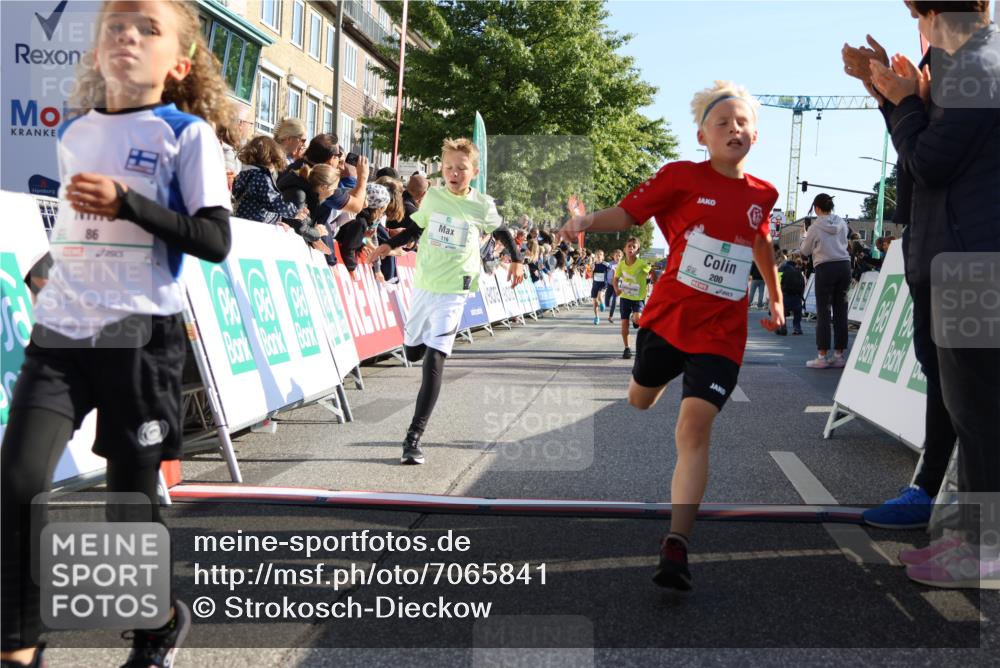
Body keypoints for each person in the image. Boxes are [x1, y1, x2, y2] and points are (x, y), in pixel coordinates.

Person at [0, 2, 234, 666]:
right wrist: (50, 264)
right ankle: (17, 647)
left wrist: (128, 203)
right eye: (115, 27)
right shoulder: (74, 131)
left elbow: (214, 240)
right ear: (98, 51)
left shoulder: (185, 135)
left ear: (178, 64)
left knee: (126, 511)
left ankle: (155, 623)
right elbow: (80, 228)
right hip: (62, 337)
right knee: (16, 486)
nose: (127, 35)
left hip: (140, 338)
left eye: (148, 29)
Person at [559, 80, 782, 590]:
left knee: (694, 429)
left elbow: (762, 241)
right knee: (640, 401)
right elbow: (629, 212)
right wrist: (587, 220)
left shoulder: (763, 194)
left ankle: (677, 542)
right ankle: (650, 381)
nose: (734, 129)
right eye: (722, 123)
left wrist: (775, 296)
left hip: (721, 334)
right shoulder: (680, 177)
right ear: (702, 135)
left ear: (756, 135)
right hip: (667, 321)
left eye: (743, 122)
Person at [859, 1, 1000, 587]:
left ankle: (986, 550)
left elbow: (930, 162)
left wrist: (903, 102)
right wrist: (899, 97)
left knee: (981, 416)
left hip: (972, 263)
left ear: (927, 12)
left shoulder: (977, 67)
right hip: (962, 257)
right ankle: (973, 540)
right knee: (971, 413)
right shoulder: (969, 62)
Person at [368, 138, 524, 465]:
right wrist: (388, 245)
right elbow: (415, 228)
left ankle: (413, 438)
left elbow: (503, 233)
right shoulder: (434, 197)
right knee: (413, 350)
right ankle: (420, 344)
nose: (454, 173)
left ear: (474, 172)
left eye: (461, 169)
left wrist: (516, 259)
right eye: (449, 167)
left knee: (434, 360)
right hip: (426, 284)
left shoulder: (481, 204)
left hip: (456, 287)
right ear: (442, 169)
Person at [798, 193, 851, 368]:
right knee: (841, 311)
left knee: (824, 311)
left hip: (825, 267)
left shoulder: (815, 226)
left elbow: (804, 251)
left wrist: (804, 237)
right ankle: (839, 355)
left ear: (817, 208)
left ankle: (821, 356)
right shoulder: (842, 223)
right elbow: (845, 241)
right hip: (844, 265)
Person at [232, 136, 309, 226]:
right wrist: (295, 212)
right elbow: (273, 201)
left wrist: (274, 221)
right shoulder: (261, 177)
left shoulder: (246, 173)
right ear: (270, 159)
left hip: (244, 221)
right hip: (254, 225)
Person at [335, 182, 391, 274]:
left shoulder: (366, 219)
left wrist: (362, 244)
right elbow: (348, 247)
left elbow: (362, 239)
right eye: (384, 206)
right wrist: (352, 269)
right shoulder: (360, 221)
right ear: (377, 207)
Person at [613, 238, 653, 359]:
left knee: (637, 319)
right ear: (625, 249)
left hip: (638, 297)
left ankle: (634, 318)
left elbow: (652, 273)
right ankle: (627, 348)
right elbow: (615, 279)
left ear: (637, 250)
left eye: (634, 247)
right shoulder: (621, 264)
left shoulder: (641, 263)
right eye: (629, 246)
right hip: (625, 296)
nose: (631, 248)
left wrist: (655, 285)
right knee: (624, 323)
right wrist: (616, 289)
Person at [778, 256, 806, 335]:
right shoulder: (798, 271)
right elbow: (802, 284)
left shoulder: (782, 269)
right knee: (797, 314)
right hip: (797, 297)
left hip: (785, 295)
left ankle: (783, 327)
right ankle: (797, 328)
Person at [605, 248, 622, 323]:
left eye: (619, 256)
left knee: (615, 301)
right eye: (616, 256)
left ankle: (610, 316)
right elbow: (605, 272)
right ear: (613, 256)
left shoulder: (623, 265)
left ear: (621, 257)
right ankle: (606, 303)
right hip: (609, 284)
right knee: (607, 301)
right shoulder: (610, 264)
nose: (618, 257)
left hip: (617, 285)